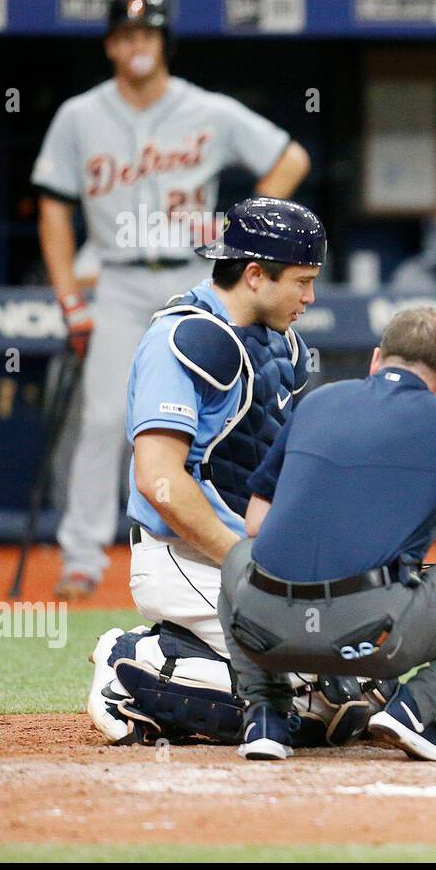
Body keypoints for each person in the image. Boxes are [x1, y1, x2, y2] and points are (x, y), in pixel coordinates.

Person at [33, 0, 310, 599]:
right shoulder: (80, 116)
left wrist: (241, 227)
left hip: (192, 272)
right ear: (111, 45)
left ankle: (213, 543)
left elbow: (291, 157)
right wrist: (68, 298)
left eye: (148, 35)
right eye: (127, 36)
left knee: (218, 419)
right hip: (117, 277)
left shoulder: (204, 108)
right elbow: (53, 208)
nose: (138, 46)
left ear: (163, 44)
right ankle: (81, 560)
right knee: (105, 418)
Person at [219, 307, 436, 762]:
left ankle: (264, 714)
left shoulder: (318, 403)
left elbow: (256, 524)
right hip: (371, 638)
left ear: (377, 360)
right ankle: (419, 711)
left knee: (239, 555)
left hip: (265, 631)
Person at [86, 199, 369, 752]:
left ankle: (188, 661)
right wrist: (247, 562)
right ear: (256, 274)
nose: (311, 298)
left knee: (366, 685)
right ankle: (135, 665)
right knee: (307, 707)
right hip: (182, 555)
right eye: (303, 282)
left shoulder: (282, 343)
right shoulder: (185, 339)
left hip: (254, 557)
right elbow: (157, 479)